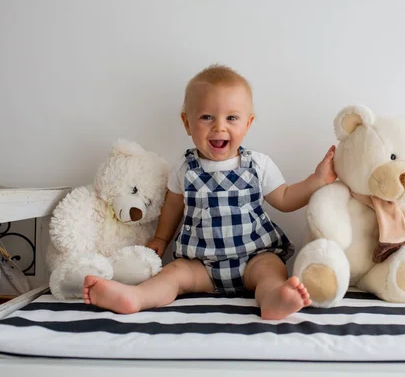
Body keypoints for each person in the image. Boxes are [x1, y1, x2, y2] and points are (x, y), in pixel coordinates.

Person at [83, 64, 336, 320]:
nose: (219, 127)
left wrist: (317, 180)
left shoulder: (258, 164)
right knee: (173, 274)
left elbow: (285, 198)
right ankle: (135, 297)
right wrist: (160, 239)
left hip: (253, 258)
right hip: (200, 265)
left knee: (272, 270)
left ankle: (272, 299)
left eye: (232, 118)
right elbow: (172, 208)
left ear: (248, 124)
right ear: (187, 122)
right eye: (207, 117)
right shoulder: (184, 168)